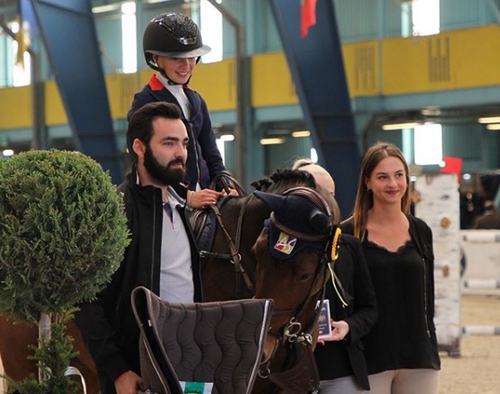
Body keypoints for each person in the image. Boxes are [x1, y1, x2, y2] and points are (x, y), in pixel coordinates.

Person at [75, 102, 204, 394]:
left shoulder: (187, 209)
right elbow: (86, 302)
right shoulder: (114, 212)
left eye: (183, 143)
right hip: (136, 374)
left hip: (188, 366)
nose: (180, 153)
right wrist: (118, 371)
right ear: (139, 147)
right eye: (169, 143)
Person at [341, 142, 441, 394]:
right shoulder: (348, 234)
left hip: (419, 357)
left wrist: (431, 346)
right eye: (382, 177)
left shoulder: (421, 231)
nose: (393, 184)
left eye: (399, 175)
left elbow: (427, 296)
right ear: (368, 182)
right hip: (369, 358)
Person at [293, 159, 378, 393]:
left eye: (331, 194)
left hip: (342, 370)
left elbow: (369, 308)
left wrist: (348, 327)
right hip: (291, 372)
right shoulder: (278, 250)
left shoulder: (349, 246)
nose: (326, 203)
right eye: (316, 194)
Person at [128, 12, 228, 208]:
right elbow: (143, 162)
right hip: (169, 200)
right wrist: (186, 196)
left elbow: (211, 151)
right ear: (156, 59)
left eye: (191, 57)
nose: (186, 65)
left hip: (206, 192)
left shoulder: (197, 100)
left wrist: (224, 181)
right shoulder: (145, 102)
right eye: (176, 58)